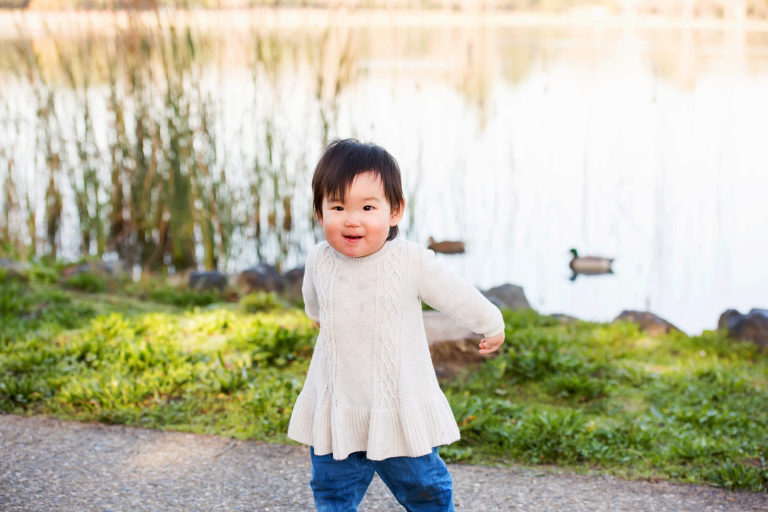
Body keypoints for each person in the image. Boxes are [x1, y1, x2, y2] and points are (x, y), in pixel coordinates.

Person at [288, 138, 505, 511]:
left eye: (368, 207)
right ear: (321, 214)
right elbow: (314, 300)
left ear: (394, 212)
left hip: (398, 406)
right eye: (338, 206)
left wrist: (490, 322)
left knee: (425, 488)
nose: (352, 219)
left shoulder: (409, 261)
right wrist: (320, 320)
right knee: (332, 491)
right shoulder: (319, 260)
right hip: (338, 406)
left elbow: (454, 293)